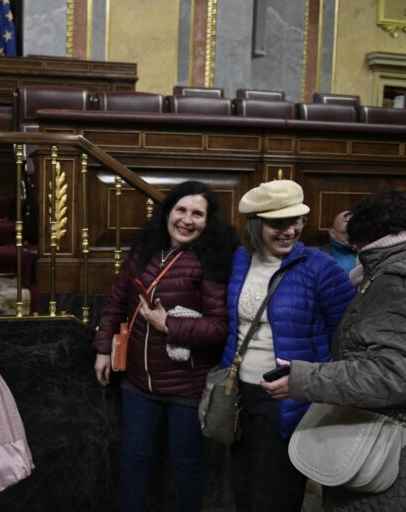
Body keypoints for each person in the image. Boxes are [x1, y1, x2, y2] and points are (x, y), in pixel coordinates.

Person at [92, 180, 237, 512]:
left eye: (197, 214)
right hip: (138, 382)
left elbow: (219, 327)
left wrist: (168, 324)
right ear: (168, 212)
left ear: (208, 220)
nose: (187, 220)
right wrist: (102, 348)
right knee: (133, 460)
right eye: (181, 210)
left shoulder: (212, 261)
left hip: (187, 386)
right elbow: (116, 302)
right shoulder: (143, 250)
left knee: (187, 464)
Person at [265, 190, 406, 511]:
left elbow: (394, 374)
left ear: (360, 242)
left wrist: (303, 378)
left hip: (387, 451)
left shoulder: (394, 279)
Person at [221, 180, 355, 512]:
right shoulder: (239, 260)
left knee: (276, 495)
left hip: (287, 400)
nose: (290, 231)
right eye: (278, 223)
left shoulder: (319, 268)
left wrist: (309, 377)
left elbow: (348, 336)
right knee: (243, 488)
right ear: (255, 224)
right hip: (240, 395)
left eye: (295, 222)